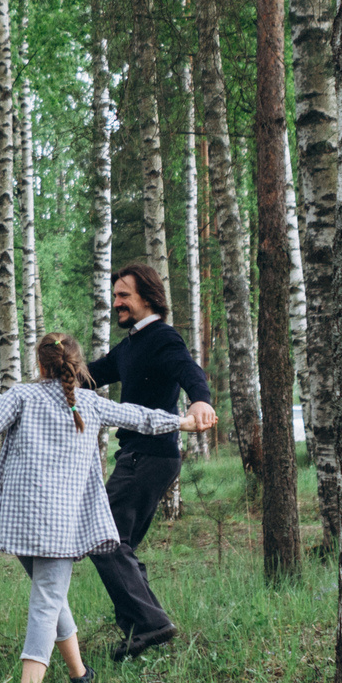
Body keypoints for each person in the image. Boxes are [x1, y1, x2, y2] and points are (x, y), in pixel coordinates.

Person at [0, 333, 184, 683]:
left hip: (20, 519)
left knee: (51, 594)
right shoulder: (91, 402)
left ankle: (80, 674)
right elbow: (141, 418)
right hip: (60, 524)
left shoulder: (21, 396)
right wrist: (183, 422)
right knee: (48, 599)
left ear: (40, 364)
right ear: (78, 366)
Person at [85, 263, 218, 660]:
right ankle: (138, 634)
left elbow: (187, 369)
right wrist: (53, 376)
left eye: (124, 295)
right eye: (116, 295)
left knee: (102, 537)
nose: (117, 302)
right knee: (118, 542)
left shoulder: (162, 337)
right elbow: (91, 375)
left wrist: (201, 398)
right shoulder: (130, 346)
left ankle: (150, 623)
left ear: (148, 296)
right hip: (137, 455)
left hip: (151, 455)